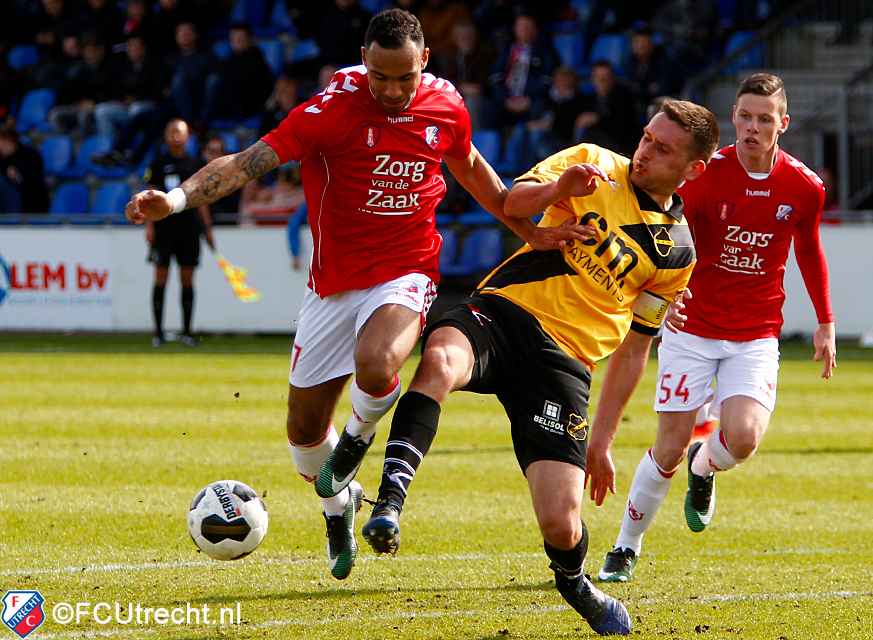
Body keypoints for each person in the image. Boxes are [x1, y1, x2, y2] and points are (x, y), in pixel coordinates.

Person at [123, 8, 591, 582]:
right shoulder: (330, 110)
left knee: (377, 365)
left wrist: (530, 230)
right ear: (364, 62)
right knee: (301, 435)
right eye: (380, 77)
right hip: (333, 283)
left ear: (424, 61)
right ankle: (339, 505)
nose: (393, 91)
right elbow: (248, 163)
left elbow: (471, 169)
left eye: (404, 78)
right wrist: (173, 201)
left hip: (407, 269)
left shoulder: (446, 104)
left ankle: (359, 438)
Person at [353, 100, 718, 635]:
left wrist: (602, 441)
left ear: (693, 169)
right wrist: (559, 189)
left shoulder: (677, 254)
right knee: (437, 362)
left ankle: (573, 583)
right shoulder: (593, 162)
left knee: (561, 522)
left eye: (662, 148)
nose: (645, 151)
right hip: (503, 312)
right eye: (646, 137)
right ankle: (389, 502)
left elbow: (637, 348)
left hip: (563, 365)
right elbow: (511, 201)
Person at [594, 73, 837, 584]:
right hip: (692, 326)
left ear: (782, 125)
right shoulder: (706, 177)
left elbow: (809, 250)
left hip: (755, 331)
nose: (753, 127)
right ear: (734, 117)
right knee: (668, 446)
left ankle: (705, 467)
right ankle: (625, 546)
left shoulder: (804, 186)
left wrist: (825, 321)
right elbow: (668, 229)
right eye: (745, 116)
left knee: (744, 439)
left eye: (764, 119)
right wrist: (666, 290)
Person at [144, 118, 214, 347]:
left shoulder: (195, 164)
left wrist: (207, 228)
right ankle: (158, 333)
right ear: (166, 135)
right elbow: (149, 196)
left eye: (181, 132)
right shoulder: (157, 163)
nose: (176, 136)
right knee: (161, 277)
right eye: (172, 131)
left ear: (188, 136)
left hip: (189, 228)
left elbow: (201, 199)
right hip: (164, 228)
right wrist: (150, 226)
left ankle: (186, 331)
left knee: (187, 278)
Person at [0, 119, 49, 214]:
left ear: (8, 141)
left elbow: (35, 181)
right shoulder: (1, 158)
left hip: (28, 200)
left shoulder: (30, 155)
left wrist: (18, 177)